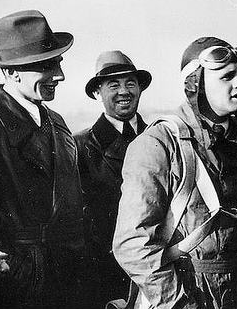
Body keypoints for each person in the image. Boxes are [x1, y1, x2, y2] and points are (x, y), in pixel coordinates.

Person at [113, 37, 237, 309]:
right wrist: (179, 304)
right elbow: (133, 245)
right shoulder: (159, 144)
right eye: (227, 76)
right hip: (179, 297)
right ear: (197, 83)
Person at [0, 10, 90, 308]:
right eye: (46, 65)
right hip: (11, 289)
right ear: (11, 72)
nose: (60, 75)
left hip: (68, 282)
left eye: (58, 63)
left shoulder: (57, 122)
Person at [74, 50, 152, 306]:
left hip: (156, 268)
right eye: (113, 85)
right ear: (98, 92)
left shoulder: (160, 138)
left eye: (131, 83)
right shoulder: (79, 146)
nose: (124, 91)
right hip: (105, 276)